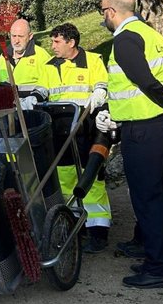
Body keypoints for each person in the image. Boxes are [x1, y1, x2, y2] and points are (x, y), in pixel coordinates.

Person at [98, 0, 163, 289]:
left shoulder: (125, 39)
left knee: (147, 197)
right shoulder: (153, 35)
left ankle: (160, 267)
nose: (103, 17)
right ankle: (148, 246)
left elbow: (145, 80)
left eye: (103, 12)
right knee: (157, 193)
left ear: (111, 12)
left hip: (144, 128)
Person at [41, 23, 112, 253]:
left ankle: (98, 231)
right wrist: (33, 97)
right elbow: (43, 89)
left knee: (91, 179)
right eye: (52, 41)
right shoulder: (49, 66)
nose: (52, 46)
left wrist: (99, 94)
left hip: (87, 128)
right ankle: (74, 225)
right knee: (65, 178)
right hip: (59, 131)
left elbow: (103, 85)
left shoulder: (92, 60)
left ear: (71, 42)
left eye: (57, 41)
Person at [0, 18, 51, 108]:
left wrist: (34, 98)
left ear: (30, 36)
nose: (16, 40)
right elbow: (2, 80)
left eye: (21, 36)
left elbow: (48, 84)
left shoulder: (41, 55)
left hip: (34, 107)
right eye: (13, 36)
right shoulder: (3, 57)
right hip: (11, 108)